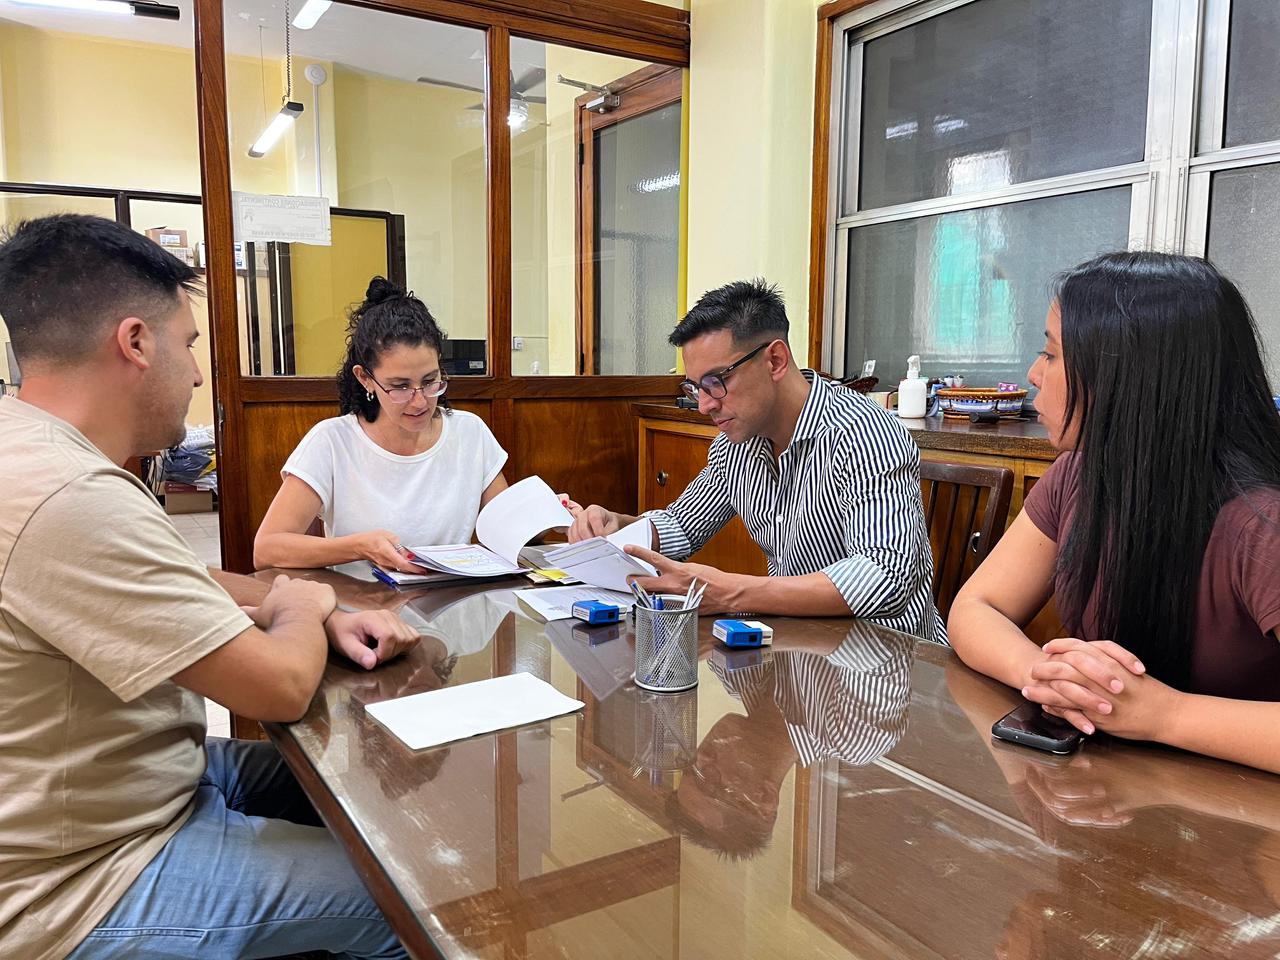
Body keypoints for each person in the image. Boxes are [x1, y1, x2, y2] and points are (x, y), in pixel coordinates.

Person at [0, 214, 418, 959]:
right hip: (84, 877)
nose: (196, 374)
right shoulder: (67, 494)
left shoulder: (35, 451)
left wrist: (304, 601)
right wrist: (305, 603)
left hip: (140, 784)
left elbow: (175, 578)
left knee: (355, 781)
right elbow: (277, 690)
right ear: (134, 341)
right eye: (190, 345)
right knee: (414, 900)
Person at [948, 251, 1280, 773]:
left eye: (1052, 355)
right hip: (1110, 797)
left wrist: (1166, 715)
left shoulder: (1261, 524)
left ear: (1129, 374)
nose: (1033, 373)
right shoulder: (1079, 474)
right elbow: (976, 608)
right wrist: (1046, 674)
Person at [569, 278, 942, 640]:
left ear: (775, 360)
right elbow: (682, 526)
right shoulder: (737, 442)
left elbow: (885, 577)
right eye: (695, 387)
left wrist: (732, 591)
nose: (704, 405)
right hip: (797, 653)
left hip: (888, 665)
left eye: (717, 381)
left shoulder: (864, 433)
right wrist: (620, 527)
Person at [254, 277, 509, 572]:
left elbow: (506, 526)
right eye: (400, 386)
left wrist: (550, 514)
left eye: (430, 382)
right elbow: (267, 549)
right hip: (363, 611)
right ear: (365, 378)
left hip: (452, 608)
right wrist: (359, 547)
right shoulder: (333, 442)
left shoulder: (469, 433)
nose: (419, 401)